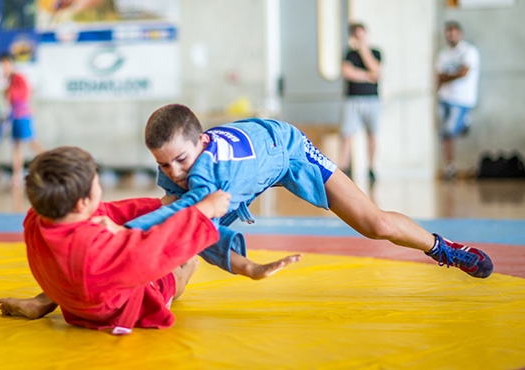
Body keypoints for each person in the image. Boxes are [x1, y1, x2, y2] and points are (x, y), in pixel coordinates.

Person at [125, 103, 494, 280]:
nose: (175, 172)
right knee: (185, 245)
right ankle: (156, 303)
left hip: (288, 149)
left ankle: (443, 248)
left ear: (204, 144)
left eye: (181, 161)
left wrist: (121, 230)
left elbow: (177, 213)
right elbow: (172, 206)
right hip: (249, 162)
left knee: (375, 223)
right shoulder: (185, 161)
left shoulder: (211, 171)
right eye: (163, 164)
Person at [0, 146, 232, 335]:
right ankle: (183, 273)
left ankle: (43, 300)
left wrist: (157, 205)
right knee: (181, 267)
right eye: (97, 184)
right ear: (82, 202)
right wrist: (202, 212)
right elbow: (153, 249)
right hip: (110, 310)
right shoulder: (96, 250)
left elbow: (106, 211)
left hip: (68, 293)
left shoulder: (39, 216)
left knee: (79, 256)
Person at [435, 21, 480, 180]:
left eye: (454, 32)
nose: (451, 36)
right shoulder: (443, 54)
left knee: (450, 131)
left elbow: (464, 73)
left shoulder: (469, 51)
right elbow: (438, 76)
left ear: (460, 34)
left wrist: (448, 76)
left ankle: (465, 121)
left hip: (461, 98)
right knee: (445, 134)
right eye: (448, 33)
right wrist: (451, 76)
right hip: (444, 97)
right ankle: (450, 166)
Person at [339, 22, 382, 185]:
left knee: (372, 133)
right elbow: (347, 72)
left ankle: (371, 167)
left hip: (372, 99)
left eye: (361, 34)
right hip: (352, 99)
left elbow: (376, 70)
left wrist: (364, 50)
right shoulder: (349, 54)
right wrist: (367, 76)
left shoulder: (375, 52)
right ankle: (344, 166)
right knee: (347, 133)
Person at [0, 52, 45, 186]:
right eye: (2, 65)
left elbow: (25, 94)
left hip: (22, 115)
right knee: (17, 145)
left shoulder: (18, 77)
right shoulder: (10, 80)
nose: (3, 67)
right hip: (14, 116)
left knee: (32, 141)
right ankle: (17, 174)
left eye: (5, 64)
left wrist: (10, 93)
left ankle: (52, 163)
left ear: (11, 64)